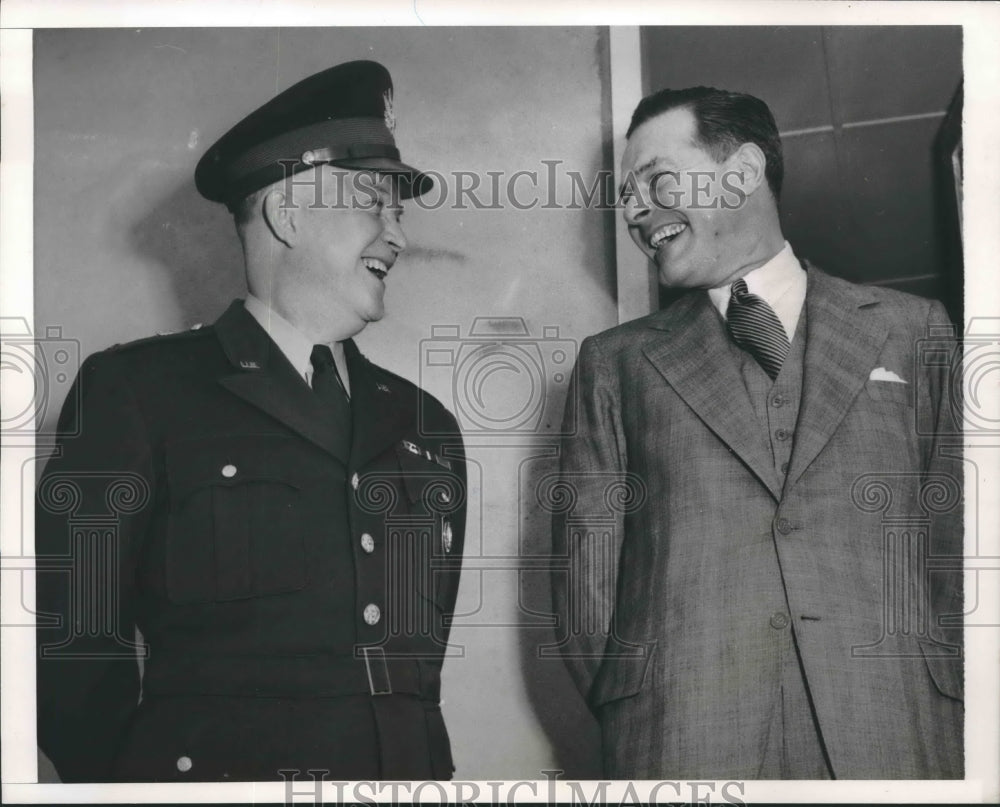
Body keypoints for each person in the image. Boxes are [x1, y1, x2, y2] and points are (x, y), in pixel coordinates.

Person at [35, 60, 466, 783]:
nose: (398, 234)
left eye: (400, 209)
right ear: (286, 213)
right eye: (374, 201)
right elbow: (68, 651)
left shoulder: (427, 424)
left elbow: (413, 685)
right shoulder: (138, 393)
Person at [552, 86, 963, 779]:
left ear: (742, 172)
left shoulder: (915, 328)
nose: (633, 210)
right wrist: (652, 709)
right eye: (626, 195)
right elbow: (586, 600)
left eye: (655, 180)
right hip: (686, 744)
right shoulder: (613, 365)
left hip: (897, 740)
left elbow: (963, 552)